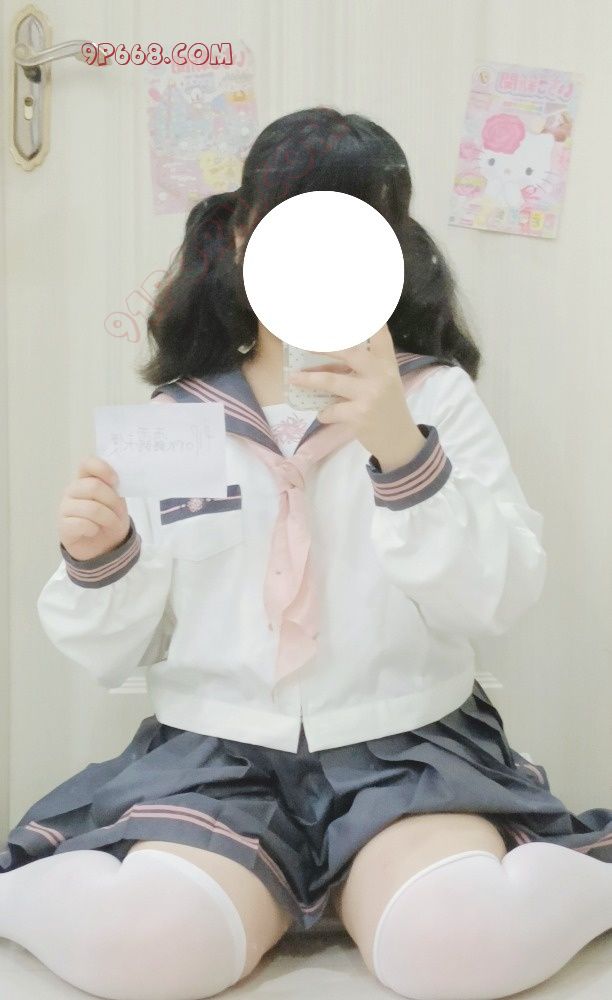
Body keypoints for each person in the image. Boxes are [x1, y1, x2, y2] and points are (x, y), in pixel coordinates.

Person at [1, 106, 612, 1000]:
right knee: (149, 946)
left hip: (408, 748)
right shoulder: (179, 418)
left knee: (458, 943)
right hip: (220, 757)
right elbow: (109, 651)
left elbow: (499, 597)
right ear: (242, 237)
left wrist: (401, 451)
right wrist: (103, 555)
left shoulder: (436, 399)